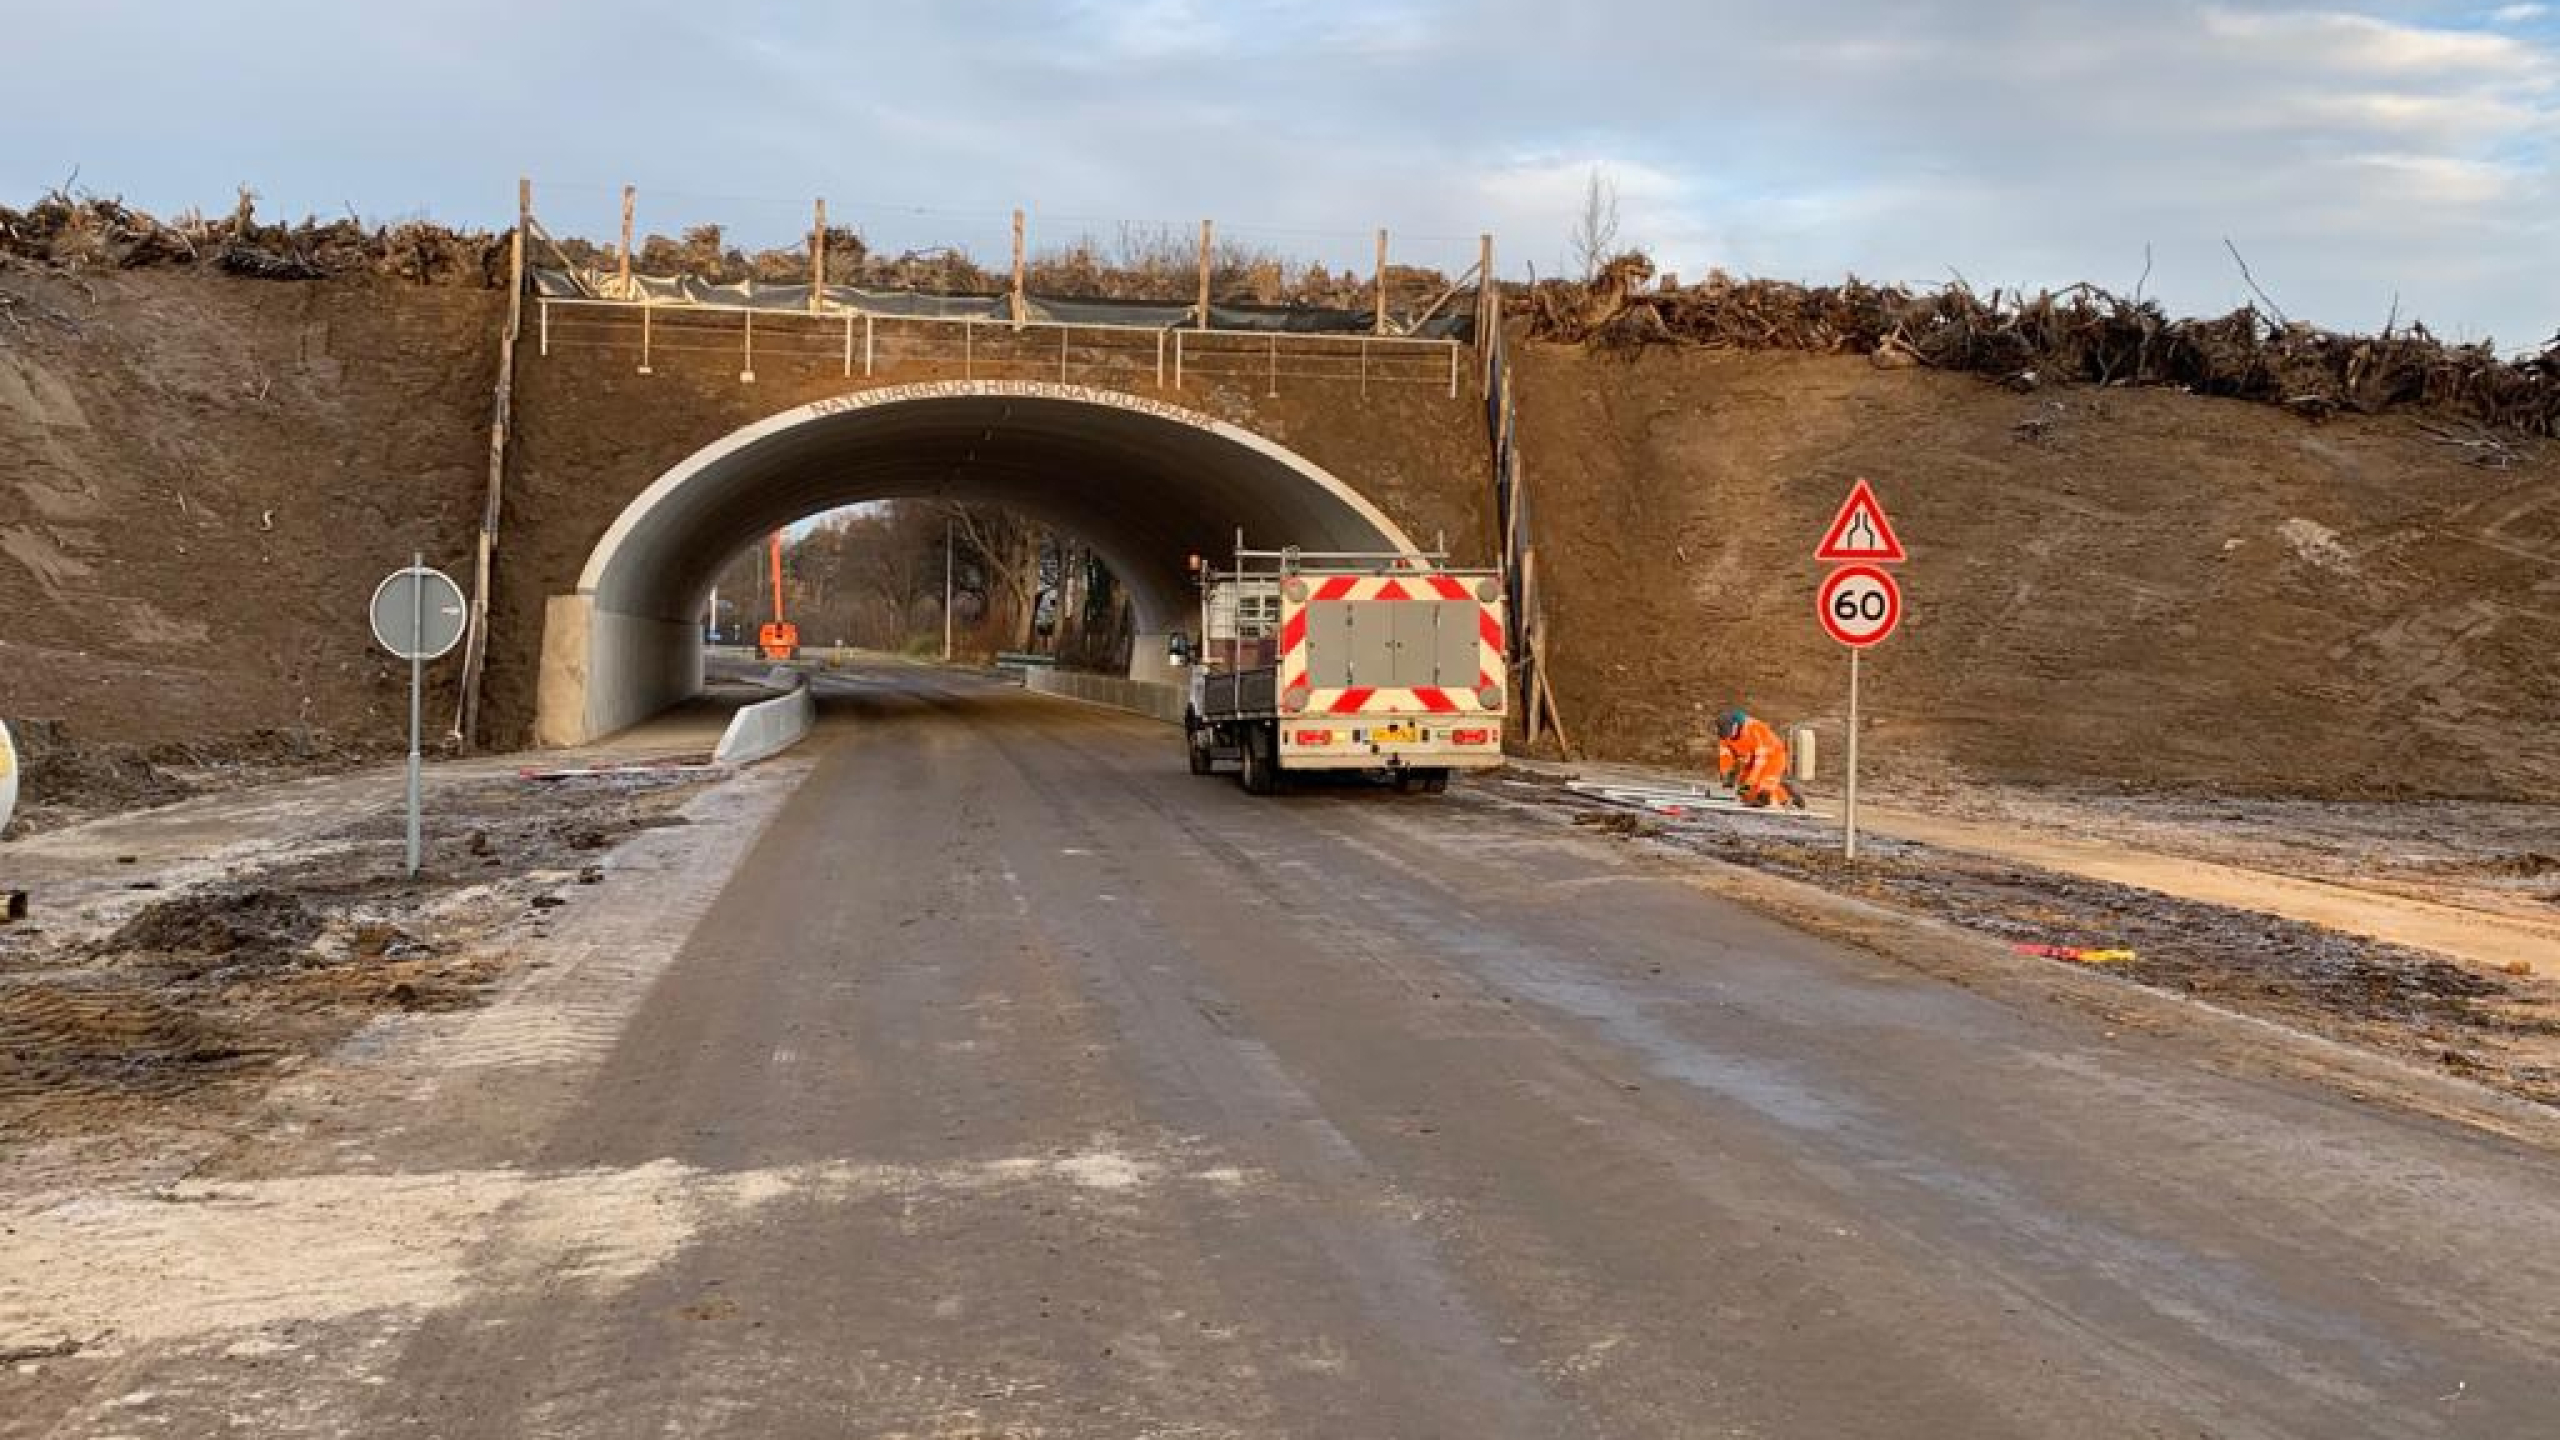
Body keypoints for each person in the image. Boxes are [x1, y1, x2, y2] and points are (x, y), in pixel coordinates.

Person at [1715, 709, 1805, 809]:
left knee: (1764, 793)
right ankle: (1778, 789)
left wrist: (1749, 782)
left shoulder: (1754, 728)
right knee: (1746, 795)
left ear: (1735, 725)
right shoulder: (1724, 735)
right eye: (1725, 734)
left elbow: (1760, 762)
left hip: (1773, 757)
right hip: (1751, 759)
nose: (1728, 737)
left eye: (1729, 733)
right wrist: (1726, 775)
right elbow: (1725, 755)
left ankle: (1789, 797)